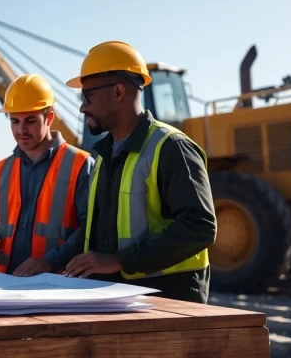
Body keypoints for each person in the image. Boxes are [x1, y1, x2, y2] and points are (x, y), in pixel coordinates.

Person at [62, 40, 216, 304]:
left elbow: (199, 227)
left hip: (168, 306)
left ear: (119, 92)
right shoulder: (103, 158)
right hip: (120, 304)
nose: (82, 107)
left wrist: (121, 261)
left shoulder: (171, 148)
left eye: (87, 96)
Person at [0, 74, 95, 276]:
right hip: (4, 282)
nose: (21, 130)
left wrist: (48, 262)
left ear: (49, 118)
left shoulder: (80, 164)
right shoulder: (1, 170)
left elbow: (90, 228)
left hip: (59, 285)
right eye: (14, 121)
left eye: (30, 121)